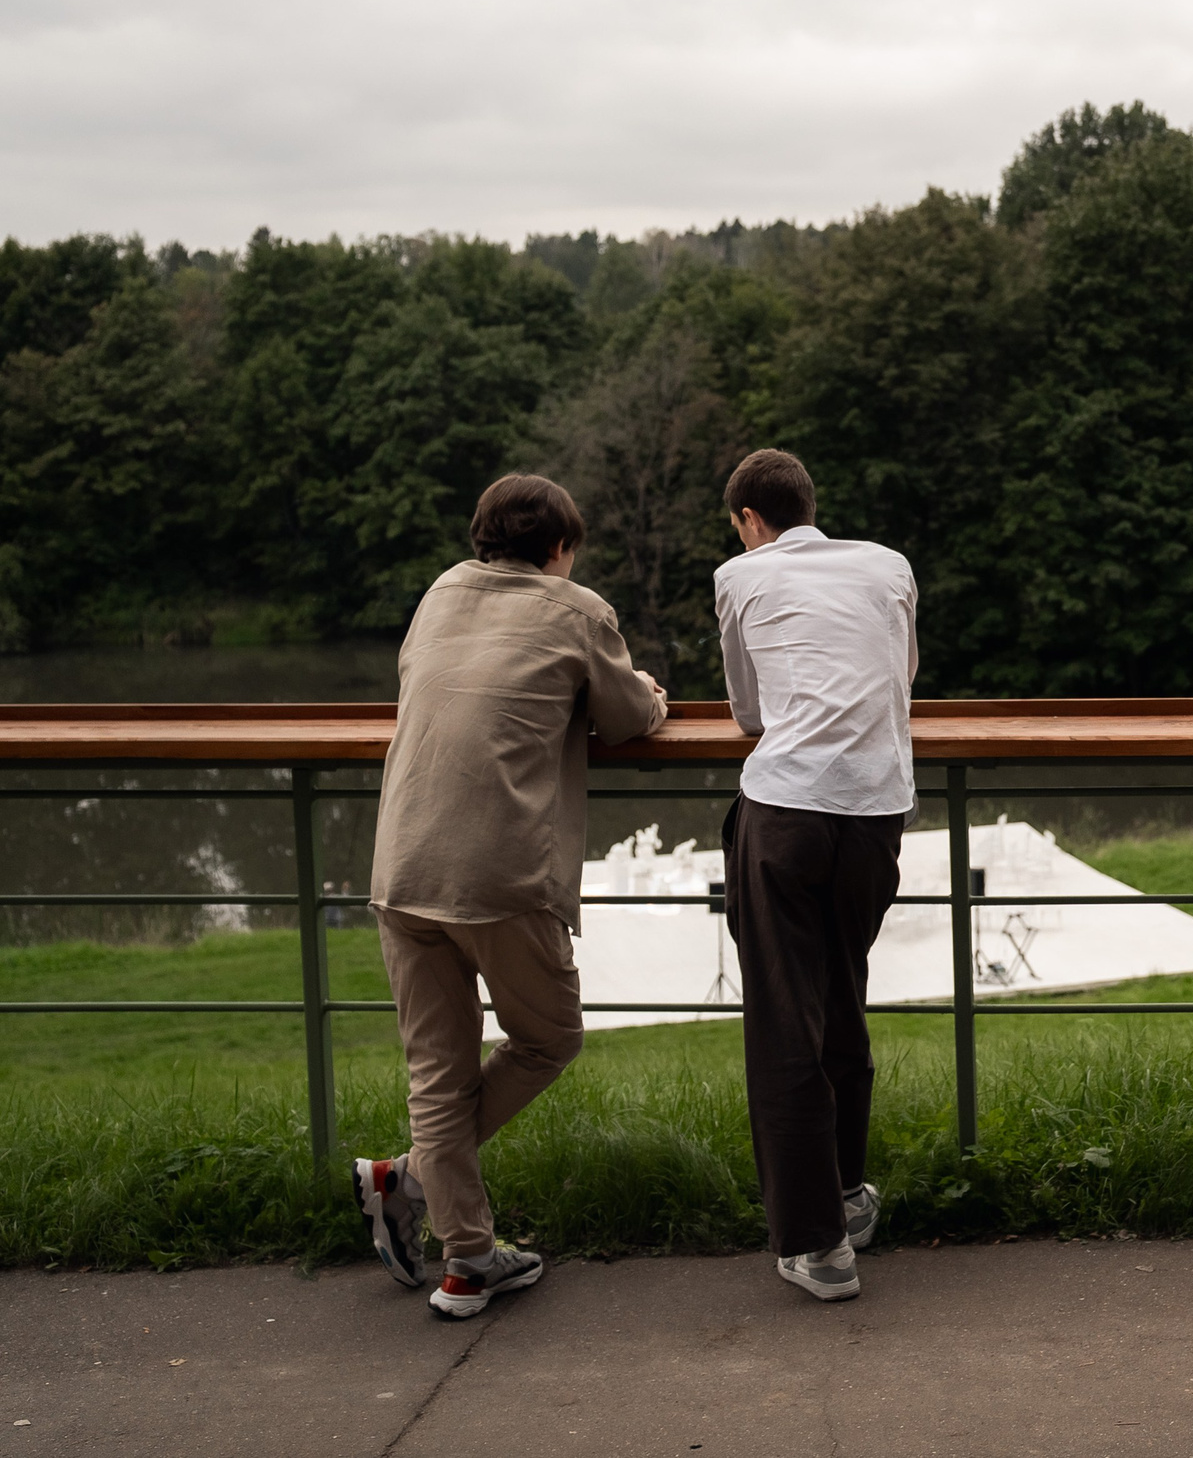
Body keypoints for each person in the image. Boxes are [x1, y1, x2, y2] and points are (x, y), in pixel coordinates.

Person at [355, 474, 669, 1319]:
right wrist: (657, 695)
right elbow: (630, 714)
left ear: (481, 537)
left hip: (404, 863)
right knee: (549, 1038)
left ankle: (465, 1259)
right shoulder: (578, 611)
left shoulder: (440, 591)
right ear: (562, 548)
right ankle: (413, 1180)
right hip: (498, 875)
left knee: (436, 1074)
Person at [714, 447, 918, 1303]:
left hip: (788, 806)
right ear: (809, 503)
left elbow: (748, 710)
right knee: (840, 997)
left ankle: (816, 1245)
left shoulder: (740, 574)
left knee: (782, 1022)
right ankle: (842, 1193)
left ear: (750, 521)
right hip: (874, 811)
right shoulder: (889, 565)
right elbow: (901, 675)